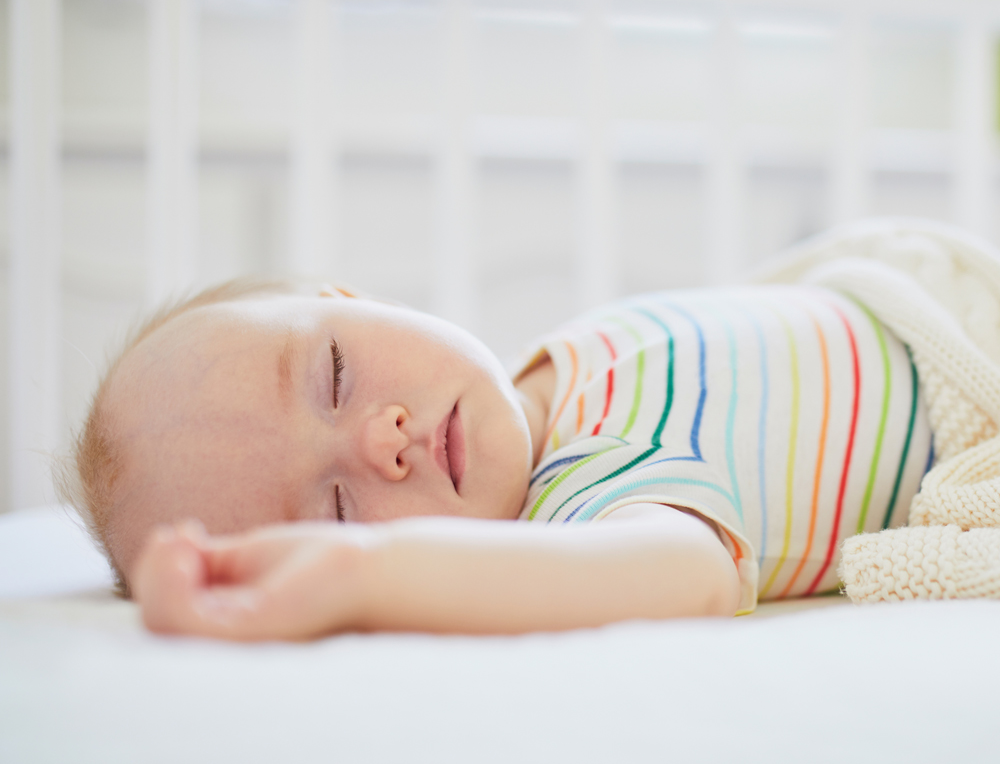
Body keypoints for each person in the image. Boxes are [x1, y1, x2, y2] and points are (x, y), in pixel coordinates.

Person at [64, 228, 948, 641]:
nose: (383, 440)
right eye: (337, 512)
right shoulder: (580, 494)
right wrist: (362, 580)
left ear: (354, 301)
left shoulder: (555, 369)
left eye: (335, 375)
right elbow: (691, 575)